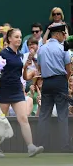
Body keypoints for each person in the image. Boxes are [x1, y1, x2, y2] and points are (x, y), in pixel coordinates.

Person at [0, 28, 44, 157]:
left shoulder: (20, 54)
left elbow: (23, 76)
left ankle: (31, 147)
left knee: (23, 118)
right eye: (16, 37)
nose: (19, 39)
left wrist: (26, 68)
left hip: (17, 90)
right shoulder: (3, 54)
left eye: (20, 37)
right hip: (4, 91)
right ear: (9, 39)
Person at [37, 24, 72, 152]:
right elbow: (69, 70)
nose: (64, 37)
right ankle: (64, 146)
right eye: (63, 34)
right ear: (58, 34)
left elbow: (39, 68)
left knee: (44, 115)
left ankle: (41, 145)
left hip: (46, 83)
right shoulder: (63, 48)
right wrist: (64, 81)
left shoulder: (41, 49)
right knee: (62, 115)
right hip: (60, 82)